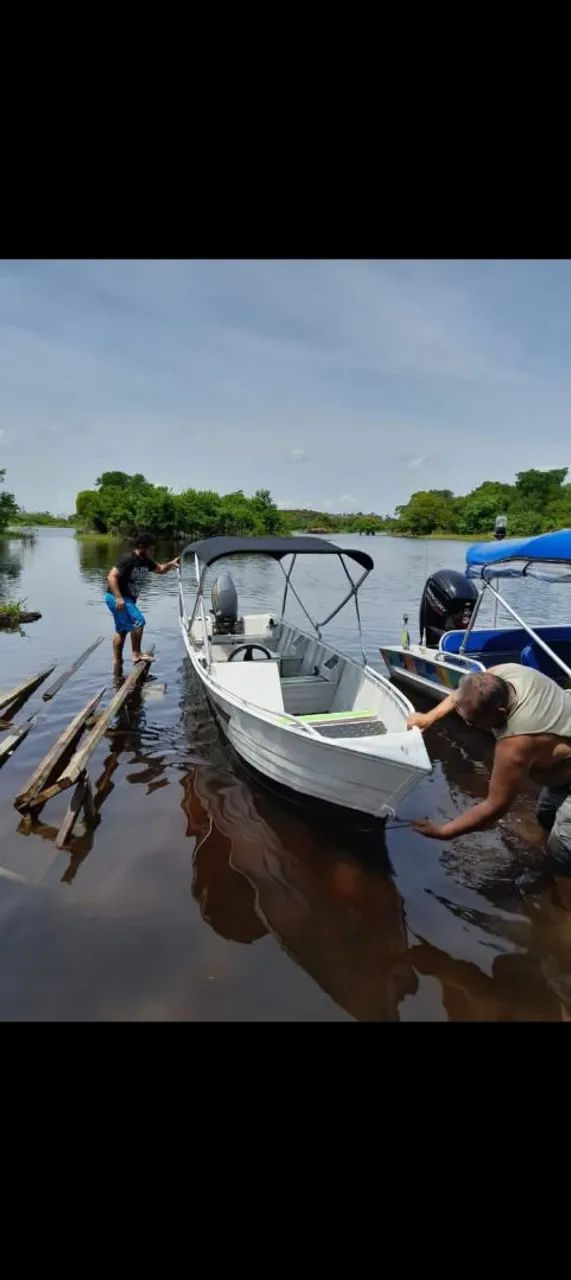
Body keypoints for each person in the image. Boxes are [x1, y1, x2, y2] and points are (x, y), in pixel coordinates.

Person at [407, 663, 571, 907]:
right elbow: (459, 697)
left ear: (501, 713)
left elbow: (495, 806)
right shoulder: (503, 674)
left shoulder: (515, 743)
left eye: (475, 723)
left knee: (563, 850)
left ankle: (564, 912)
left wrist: (444, 831)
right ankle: (547, 873)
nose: (470, 726)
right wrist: (429, 717)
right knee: (545, 815)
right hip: (560, 766)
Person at [105, 531, 180, 669]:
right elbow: (111, 576)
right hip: (117, 597)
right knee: (138, 621)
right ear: (143, 547)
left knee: (122, 630)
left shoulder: (146, 561)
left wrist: (171, 564)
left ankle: (117, 662)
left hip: (125, 599)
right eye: (151, 548)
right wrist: (119, 597)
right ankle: (136, 654)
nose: (153, 550)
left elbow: (160, 570)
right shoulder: (129, 559)